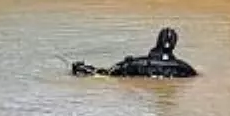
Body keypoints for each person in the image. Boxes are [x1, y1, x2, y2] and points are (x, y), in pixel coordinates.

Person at [70, 27, 199, 79]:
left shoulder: (134, 64)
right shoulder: (185, 69)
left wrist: (83, 69)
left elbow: (106, 73)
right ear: (174, 45)